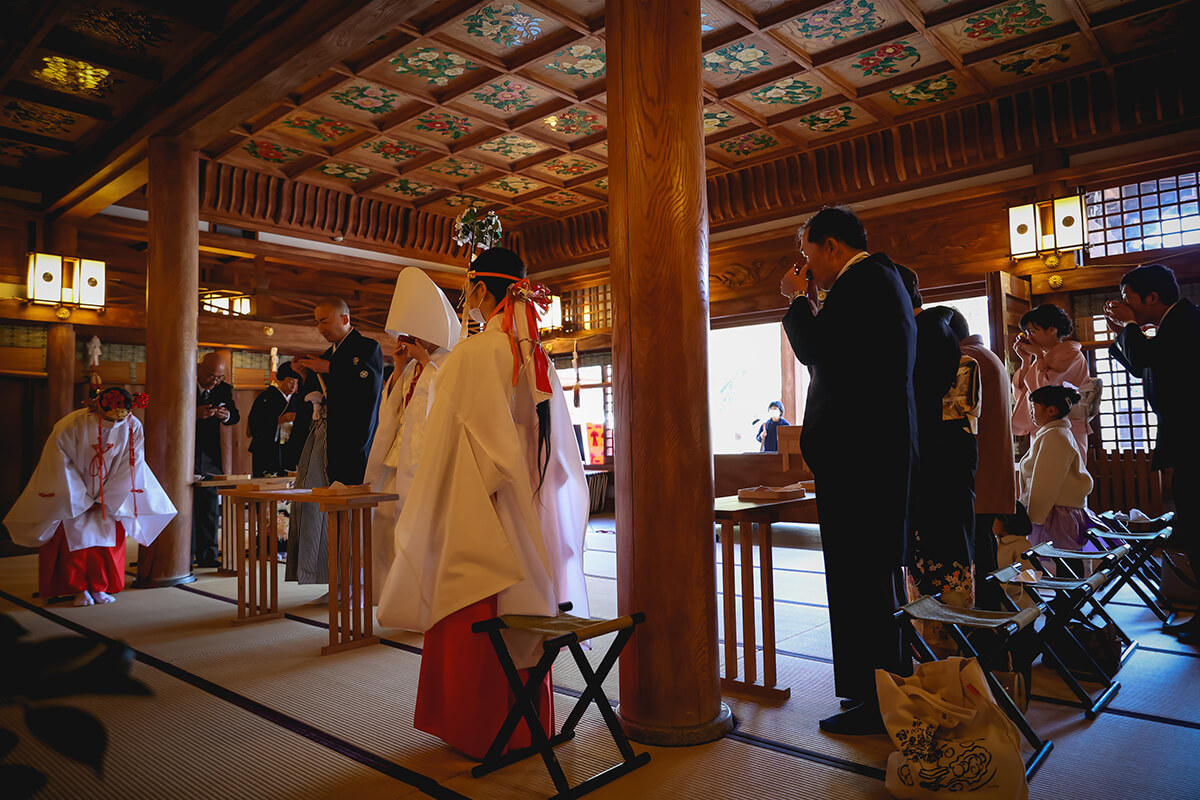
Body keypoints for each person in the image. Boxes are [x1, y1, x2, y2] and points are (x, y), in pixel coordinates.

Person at [376, 247, 588, 758]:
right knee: (523, 606)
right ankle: (525, 725)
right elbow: (560, 453)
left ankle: (481, 729)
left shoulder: (474, 354)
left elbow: (447, 446)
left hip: (478, 508)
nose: (465, 298)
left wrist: (431, 505)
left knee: (473, 607)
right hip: (527, 507)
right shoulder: (536, 356)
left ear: (483, 290)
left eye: (468, 288)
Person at [779, 206, 917, 736]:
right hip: (871, 456)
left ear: (831, 246)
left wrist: (796, 300)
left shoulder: (863, 283)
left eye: (808, 252)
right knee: (871, 578)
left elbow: (818, 351)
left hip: (861, 461)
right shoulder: (880, 281)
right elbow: (840, 357)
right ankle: (877, 690)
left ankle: (876, 700)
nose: (807, 265)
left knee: (861, 580)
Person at [4, 387, 176, 605]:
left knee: (105, 544)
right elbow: (58, 461)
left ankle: (99, 586)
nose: (115, 424)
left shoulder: (132, 425)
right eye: (109, 419)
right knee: (76, 544)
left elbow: (132, 463)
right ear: (95, 407)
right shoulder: (72, 424)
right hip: (73, 493)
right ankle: (78, 589)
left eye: (119, 420)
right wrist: (82, 497)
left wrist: (108, 496)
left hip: (110, 492)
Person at [1105, 264, 1200, 643]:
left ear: (1152, 297)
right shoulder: (1172, 325)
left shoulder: (1186, 322)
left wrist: (1129, 327)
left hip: (1193, 441)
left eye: (1128, 298)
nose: (1124, 304)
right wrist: (1124, 331)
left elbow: (1147, 358)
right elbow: (1142, 365)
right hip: (1186, 440)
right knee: (1192, 526)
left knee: (1195, 527)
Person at [364, 267, 460, 603]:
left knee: (418, 527)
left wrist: (426, 363)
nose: (410, 338)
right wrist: (400, 366)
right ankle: (391, 595)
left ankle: (419, 599)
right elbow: (392, 409)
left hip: (429, 461)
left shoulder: (448, 363)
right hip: (398, 458)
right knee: (386, 522)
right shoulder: (415, 366)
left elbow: (441, 406)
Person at [900, 290, 977, 656]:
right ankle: (929, 638)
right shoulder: (924, 367)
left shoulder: (966, 364)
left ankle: (950, 640)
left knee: (947, 544)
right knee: (928, 546)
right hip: (940, 462)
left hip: (946, 462)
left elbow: (959, 412)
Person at [944, 308, 1017, 610]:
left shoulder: (966, 359)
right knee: (983, 544)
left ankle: (987, 618)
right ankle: (992, 616)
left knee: (978, 549)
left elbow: (952, 417)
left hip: (977, 469)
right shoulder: (987, 356)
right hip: (990, 466)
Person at [294, 297, 383, 486]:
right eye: (317, 323)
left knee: (352, 487)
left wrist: (330, 368)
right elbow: (317, 395)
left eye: (324, 321)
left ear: (344, 319)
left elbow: (368, 384)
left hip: (355, 433)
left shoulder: (368, 348)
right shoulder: (328, 355)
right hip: (331, 435)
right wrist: (304, 375)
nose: (320, 329)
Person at [1019, 385, 1093, 553]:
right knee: (1062, 560)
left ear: (1051, 411)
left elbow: (1046, 482)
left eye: (1034, 407)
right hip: (1054, 510)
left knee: (1059, 560)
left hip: (1055, 514)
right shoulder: (1055, 433)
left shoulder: (1055, 436)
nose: (1031, 412)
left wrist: (1034, 518)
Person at [1012, 303, 1091, 453]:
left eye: (1033, 331)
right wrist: (1026, 361)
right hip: (1040, 425)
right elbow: (1023, 393)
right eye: (1027, 333)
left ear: (1052, 330)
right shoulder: (1042, 358)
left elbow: (1045, 391)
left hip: (1067, 426)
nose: (1029, 338)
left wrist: (1039, 356)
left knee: (1065, 465)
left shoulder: (1072, 355)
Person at [194, 352, 240, 568]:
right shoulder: (183, 382)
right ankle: (184, 554)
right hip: (183, 452)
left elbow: (235, 415)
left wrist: (226, 415)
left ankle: (208, 555)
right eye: (212, 376)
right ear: (199, 368)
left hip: (210, 455)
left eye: (220, 378)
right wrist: (194, 414)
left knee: (209, 506)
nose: (215, 382)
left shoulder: (223, 389)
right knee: (185, 506)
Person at [246, 361, 299, 478]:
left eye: (296, 383)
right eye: (290, 382)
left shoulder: (298, 400)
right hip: (267, 448)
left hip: (289, 448)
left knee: (289, 482)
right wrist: (279, 421)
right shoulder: (265, 398)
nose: (293, 387)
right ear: (280, 380)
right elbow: (255, 424)